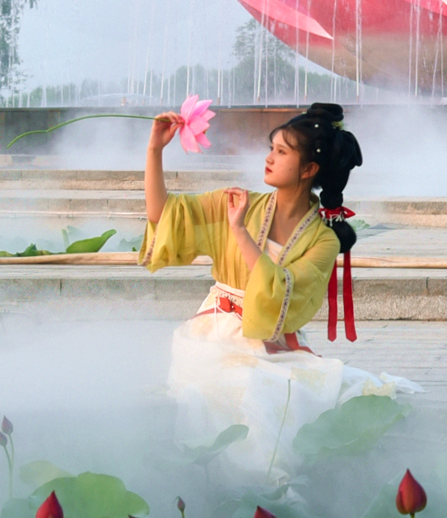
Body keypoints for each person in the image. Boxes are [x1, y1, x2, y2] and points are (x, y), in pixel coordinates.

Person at [140, 100, 413, 478]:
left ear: (309, 169)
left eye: (281, 151)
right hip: (217, 333)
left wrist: (239, 232)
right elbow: (164, 215)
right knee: (242, 386)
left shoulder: (323, 240)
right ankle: (262, 485)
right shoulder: (236, 203)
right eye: (271, 148)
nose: (268, 158)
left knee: (289, 387)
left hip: (272, 340)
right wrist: (155, 150)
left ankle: (275, 487)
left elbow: (281, 291)